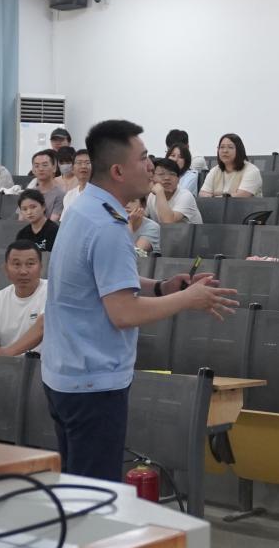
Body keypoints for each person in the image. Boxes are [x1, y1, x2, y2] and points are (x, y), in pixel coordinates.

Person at [40, 119, 238, 480]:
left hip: (66, 374)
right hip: (93, 382)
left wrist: (162, 287)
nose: (152, 166)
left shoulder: (83, 209)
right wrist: (188, 298)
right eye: (144, 158)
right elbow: (124, 312)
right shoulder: (108, 225)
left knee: (76, 486)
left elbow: (103, 283)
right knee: (94, 494)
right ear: (118, 171)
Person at [199, 133, 263, 198]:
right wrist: (223, 195)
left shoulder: (251, 171)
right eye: (222, 147)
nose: (225, 151)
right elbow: (202, 193)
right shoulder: (215, 170)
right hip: (217, 205)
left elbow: (240, 196)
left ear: (239, 150)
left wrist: (214, 196)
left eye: (230, 147)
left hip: (242, 205)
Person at [148, 158, 203, 224]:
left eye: (172, 174)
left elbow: (168, 222)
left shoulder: (185, 196)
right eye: (161, 174)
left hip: (190, 231)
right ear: (152, 177)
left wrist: (160, 192)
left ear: (178, 179)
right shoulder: (151, 195)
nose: (167, 178)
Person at [25, 149, 65, 221]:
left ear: (54, 168)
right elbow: (20, 220)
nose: (41, 169)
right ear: (33, 170)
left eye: (45, 165)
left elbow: (53, 221)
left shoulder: (60, 194)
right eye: (37, 166)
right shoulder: (28, 194)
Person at [60, 149, 92, 219]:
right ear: (72, 169)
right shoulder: (69, 196)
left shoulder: (103, 193)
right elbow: (65, 222)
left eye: (87, 163)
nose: (83, 166)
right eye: (79, 163)